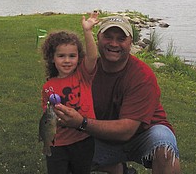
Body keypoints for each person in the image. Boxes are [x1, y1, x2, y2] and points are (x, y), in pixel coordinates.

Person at [54, 15, 181, 174]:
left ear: (130, 43)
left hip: (142, 136)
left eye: (121, 39)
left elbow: (126, 130)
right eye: (108, 37)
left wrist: (81, 122)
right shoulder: (85, 71)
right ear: (98, 38)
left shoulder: (142, 75)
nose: (114, 44)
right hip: (102, 137)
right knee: (65, 154)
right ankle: (118, 169)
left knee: (165, 149)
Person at [40, 11, 99, 174]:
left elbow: (93, 57)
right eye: (61, 56)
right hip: (58, 144)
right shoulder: (48, 86)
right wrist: (56, 120)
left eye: (72, 56)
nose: (67, 60)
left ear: (79, 57)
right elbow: (46, 115)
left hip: (84, 140)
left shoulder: (84, 75)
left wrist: (87, 31)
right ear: (52, 58)